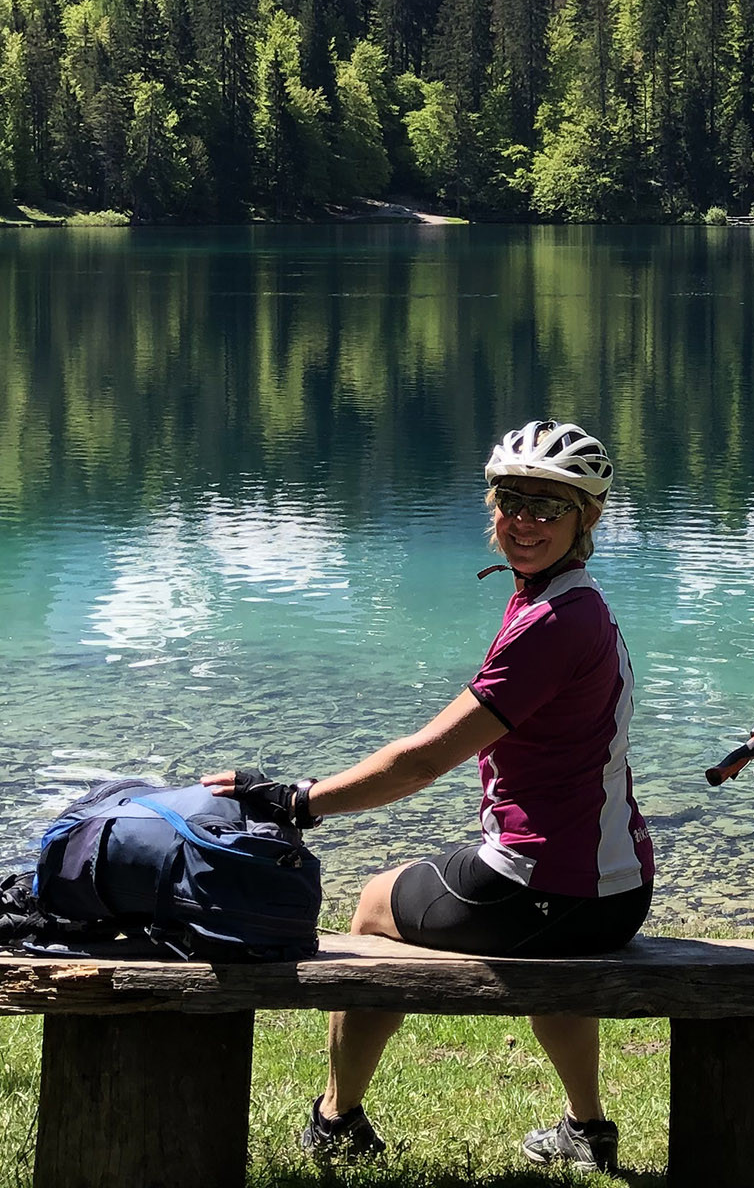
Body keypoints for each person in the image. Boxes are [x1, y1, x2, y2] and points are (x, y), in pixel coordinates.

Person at [202, 419, 653, 1174]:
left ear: (588, 517)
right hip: (617, 891)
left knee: (377, 908)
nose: (525, 521)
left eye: (551, 506)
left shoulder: (551, 624)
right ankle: (586, 1127)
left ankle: (336, 1117)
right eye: (513, 499)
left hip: (542, 889)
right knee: (549, 946)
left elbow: (423, 760)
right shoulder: (583, 605)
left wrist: (298, 799)